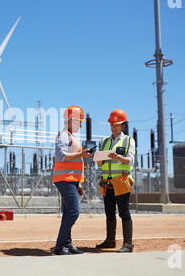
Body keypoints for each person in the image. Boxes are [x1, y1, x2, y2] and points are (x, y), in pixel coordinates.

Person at [52, 105, 93, 255]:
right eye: (79, 121)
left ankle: (67, 244)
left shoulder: (71, 136)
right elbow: (61, 156)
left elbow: (75, 163)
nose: (81, 124)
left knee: (68, 212)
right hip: (65, 179)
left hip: (71, 180)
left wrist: (79, 183)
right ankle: (59, 247)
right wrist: (81, 154)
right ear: (72, 120)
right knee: (74, 212)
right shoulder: (63, 135)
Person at [96, 109, 136, 253]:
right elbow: (100, 164)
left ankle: (128, 244)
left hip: (122, 181)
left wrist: (117, 157)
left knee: (124, 212)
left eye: (117, 125)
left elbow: (130, 161)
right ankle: (110, 241)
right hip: (107, 182)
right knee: (109, 212)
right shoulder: (105, 141)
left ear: (123, 126)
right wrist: (99, 159)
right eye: (112, 124)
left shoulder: (128, 140)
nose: (114, 127)